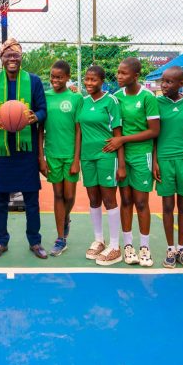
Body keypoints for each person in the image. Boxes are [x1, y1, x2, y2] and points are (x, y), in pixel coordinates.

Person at [0, 38, 48, 259]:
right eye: (8, 55)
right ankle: (1, 241)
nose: (12, 59)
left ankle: (35, 241)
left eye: (16, 55)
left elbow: (43, 110)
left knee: (31, 199)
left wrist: (35, 117)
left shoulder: (34, 81)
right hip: (2, 150)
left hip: (26, 150)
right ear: (1, 58)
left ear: (21, 57)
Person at [105, 58, 160, 267]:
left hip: (141, 155)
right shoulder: (116, 98)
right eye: (118, 72)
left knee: (141, 202)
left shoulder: (147, 97)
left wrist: (123, 139)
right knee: (126, 201)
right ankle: (128, 246)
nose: (119, 76)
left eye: (124, 73)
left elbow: (154, 131)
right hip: (121, 156)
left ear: (136, 76)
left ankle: (144, 247)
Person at [76, 65, 125, 265]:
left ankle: (115, 246)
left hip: (107, 156)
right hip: (87, 157)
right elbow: (79, 131)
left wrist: (121, 164)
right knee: (93, 198)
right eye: (87, 79)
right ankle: (99, 240)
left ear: (102, 81)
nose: (89, 83)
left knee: (109, 199)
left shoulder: (111, 101)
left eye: (93, 79)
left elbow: (118, 134)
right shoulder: (83, 101)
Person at [153, 66, 183, 269]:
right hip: (164, 159)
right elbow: (154, 135)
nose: (164, 85)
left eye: (169, 82)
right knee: (167, 206)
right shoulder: (156, 103)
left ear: (181, 84)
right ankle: (170, 248)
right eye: (163, 80)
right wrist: (154, 160)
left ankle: (182, 248)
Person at [38, 60, 83, 256]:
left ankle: (66, 217)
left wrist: (76, 159)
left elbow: (79, 129)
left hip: (70, 154)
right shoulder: (44, 97)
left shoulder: (76, 97)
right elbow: (40, 129)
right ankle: (60, 238)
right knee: (58, 195)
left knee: (69, 196)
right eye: (52, 77)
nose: (55, 80)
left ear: (67, 77)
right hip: (52, 154)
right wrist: (41, 157)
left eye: (59, 77)